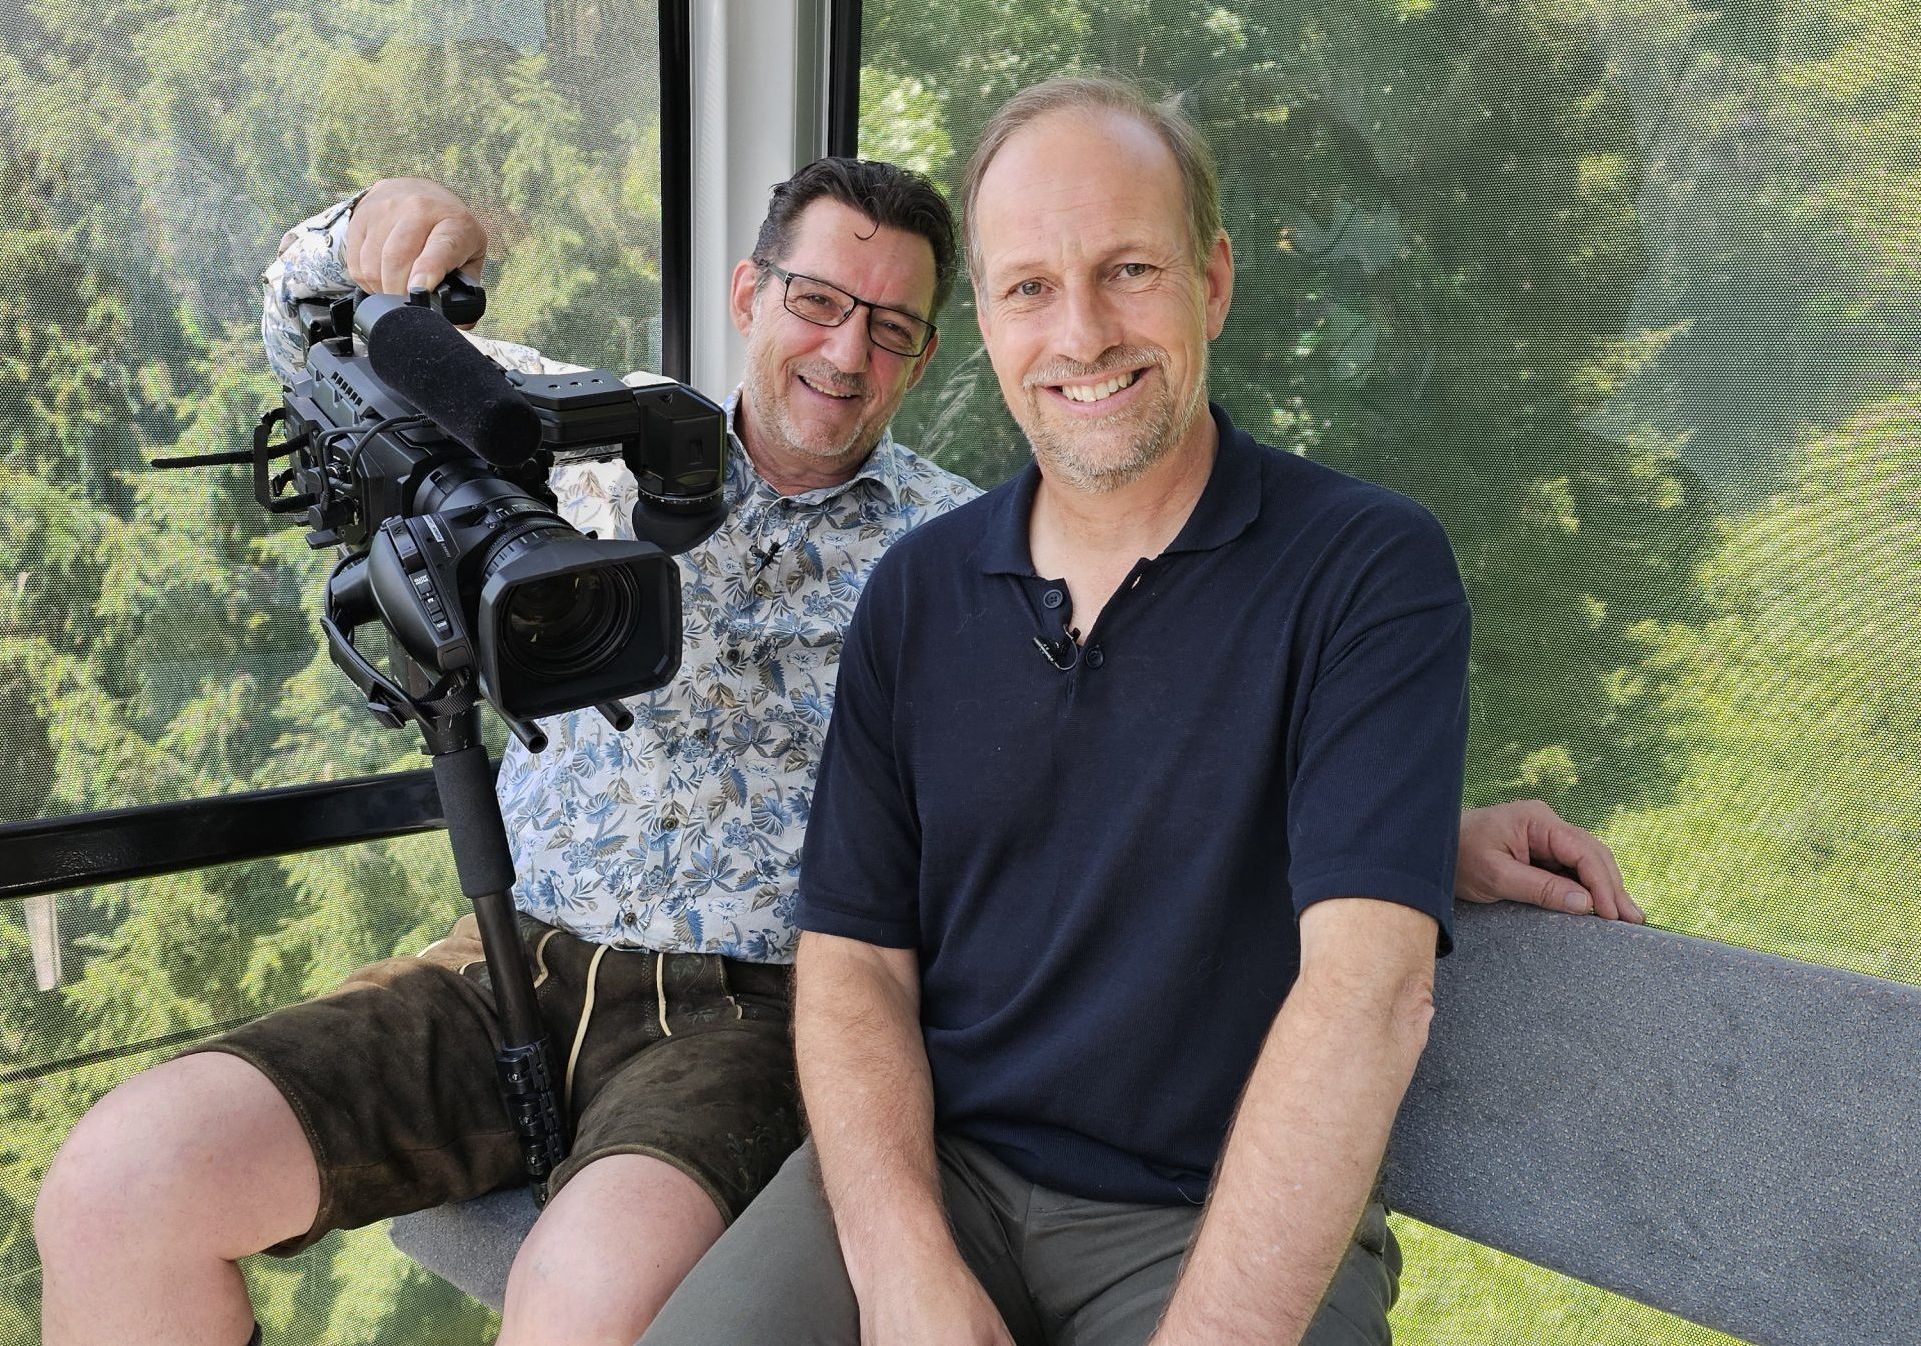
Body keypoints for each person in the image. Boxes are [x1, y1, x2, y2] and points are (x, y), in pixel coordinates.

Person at [34, 146, 1639, 1346]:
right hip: (503, 963)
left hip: (754, 1013)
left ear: (932, 356)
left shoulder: (963, 550)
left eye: (894, 325)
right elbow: (313, 331)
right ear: (750, 296)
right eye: (815, 300)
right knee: (114, 1188)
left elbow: (1157, 754)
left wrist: (1415, 831)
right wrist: (377, 227)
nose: (844, 351)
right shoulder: (569, 434)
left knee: (579, 1305)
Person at [637, 76, 1572, 1346]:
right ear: (988, 320)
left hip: (1212, 1214)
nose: (1079, 334)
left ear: (1214, 282)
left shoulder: (1364, 570)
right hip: (936, 1175)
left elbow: (1368, 995)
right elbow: (853, 958)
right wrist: (906, 1270)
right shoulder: (916, 591)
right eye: (1028, 287)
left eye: (1128, 269)